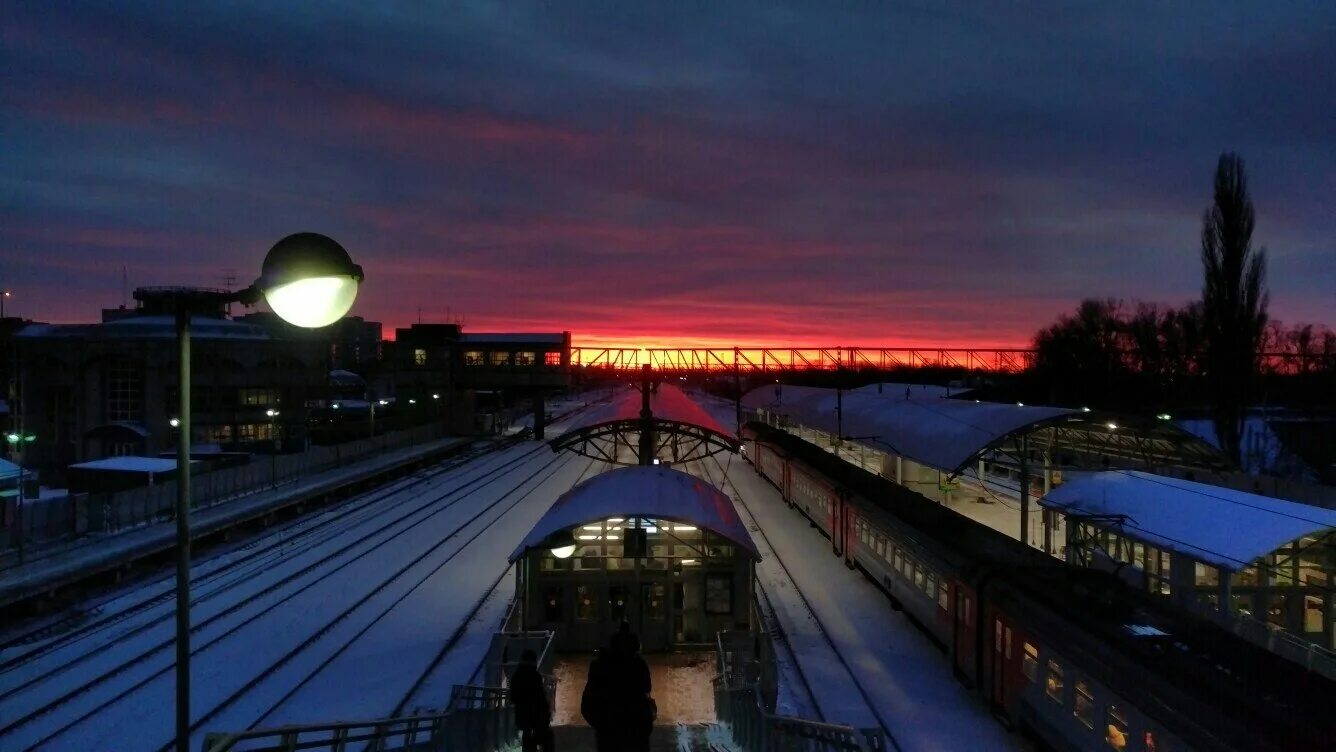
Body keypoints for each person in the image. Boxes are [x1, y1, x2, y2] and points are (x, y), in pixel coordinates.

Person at [582, 622, 654, 752]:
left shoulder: (601, 666)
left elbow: (587, 704)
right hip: (636, 731)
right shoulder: (638, 665)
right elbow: (647, 688)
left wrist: (600, 725)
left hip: (609, 732)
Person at [510, 649, 553, 752]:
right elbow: (540, 698)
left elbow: (513, 698)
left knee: (527, 738)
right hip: (537, 716)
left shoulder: (516, 676)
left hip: (522, 716)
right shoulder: (535, 677)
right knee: (547, 738)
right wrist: (546, 714)